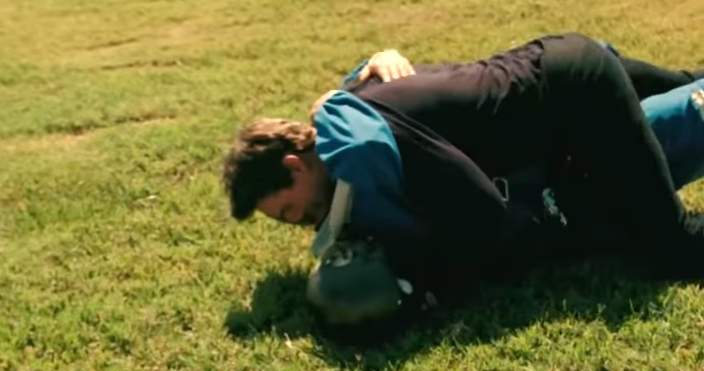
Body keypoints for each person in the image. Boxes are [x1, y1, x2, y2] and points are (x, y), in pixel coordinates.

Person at [222, 33, 704, 317]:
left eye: (289, 211)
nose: (303, 222)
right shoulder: (348, 112)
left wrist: (426, 285)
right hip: (561, 63)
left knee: (673, 247)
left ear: (294, 165)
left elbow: (483, 213)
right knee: (691, 84)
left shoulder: (362, 152)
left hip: (577, 91)